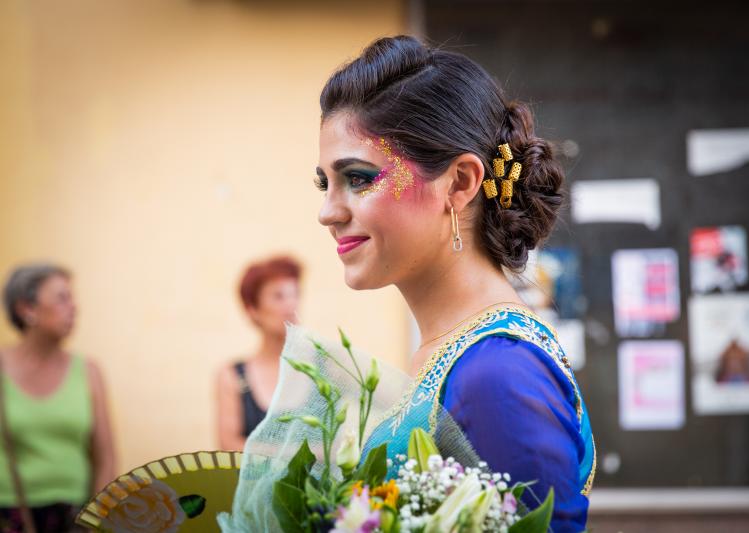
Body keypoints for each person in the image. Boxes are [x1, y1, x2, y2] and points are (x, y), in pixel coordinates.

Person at [314, 36, 595, 531]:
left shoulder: (497, 373)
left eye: (358, 178)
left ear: (461, 182)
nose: (328, 212)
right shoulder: (461, 353)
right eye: (324, 183)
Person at [0, 263, 115, 532]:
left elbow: (105, 458)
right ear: (26, 309)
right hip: (8, 515)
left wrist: (95, 521)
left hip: (73, 517)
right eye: (62, 298)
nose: (74, 307)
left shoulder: (88, 372)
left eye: (72, 298)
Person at [216, 256, 302, 451]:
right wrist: (294, 455)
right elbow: (228, 445)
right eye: (279, 296)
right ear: (252, 309)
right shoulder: (233, 376)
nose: (291, 305)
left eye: (295, 294)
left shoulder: (320, 370)